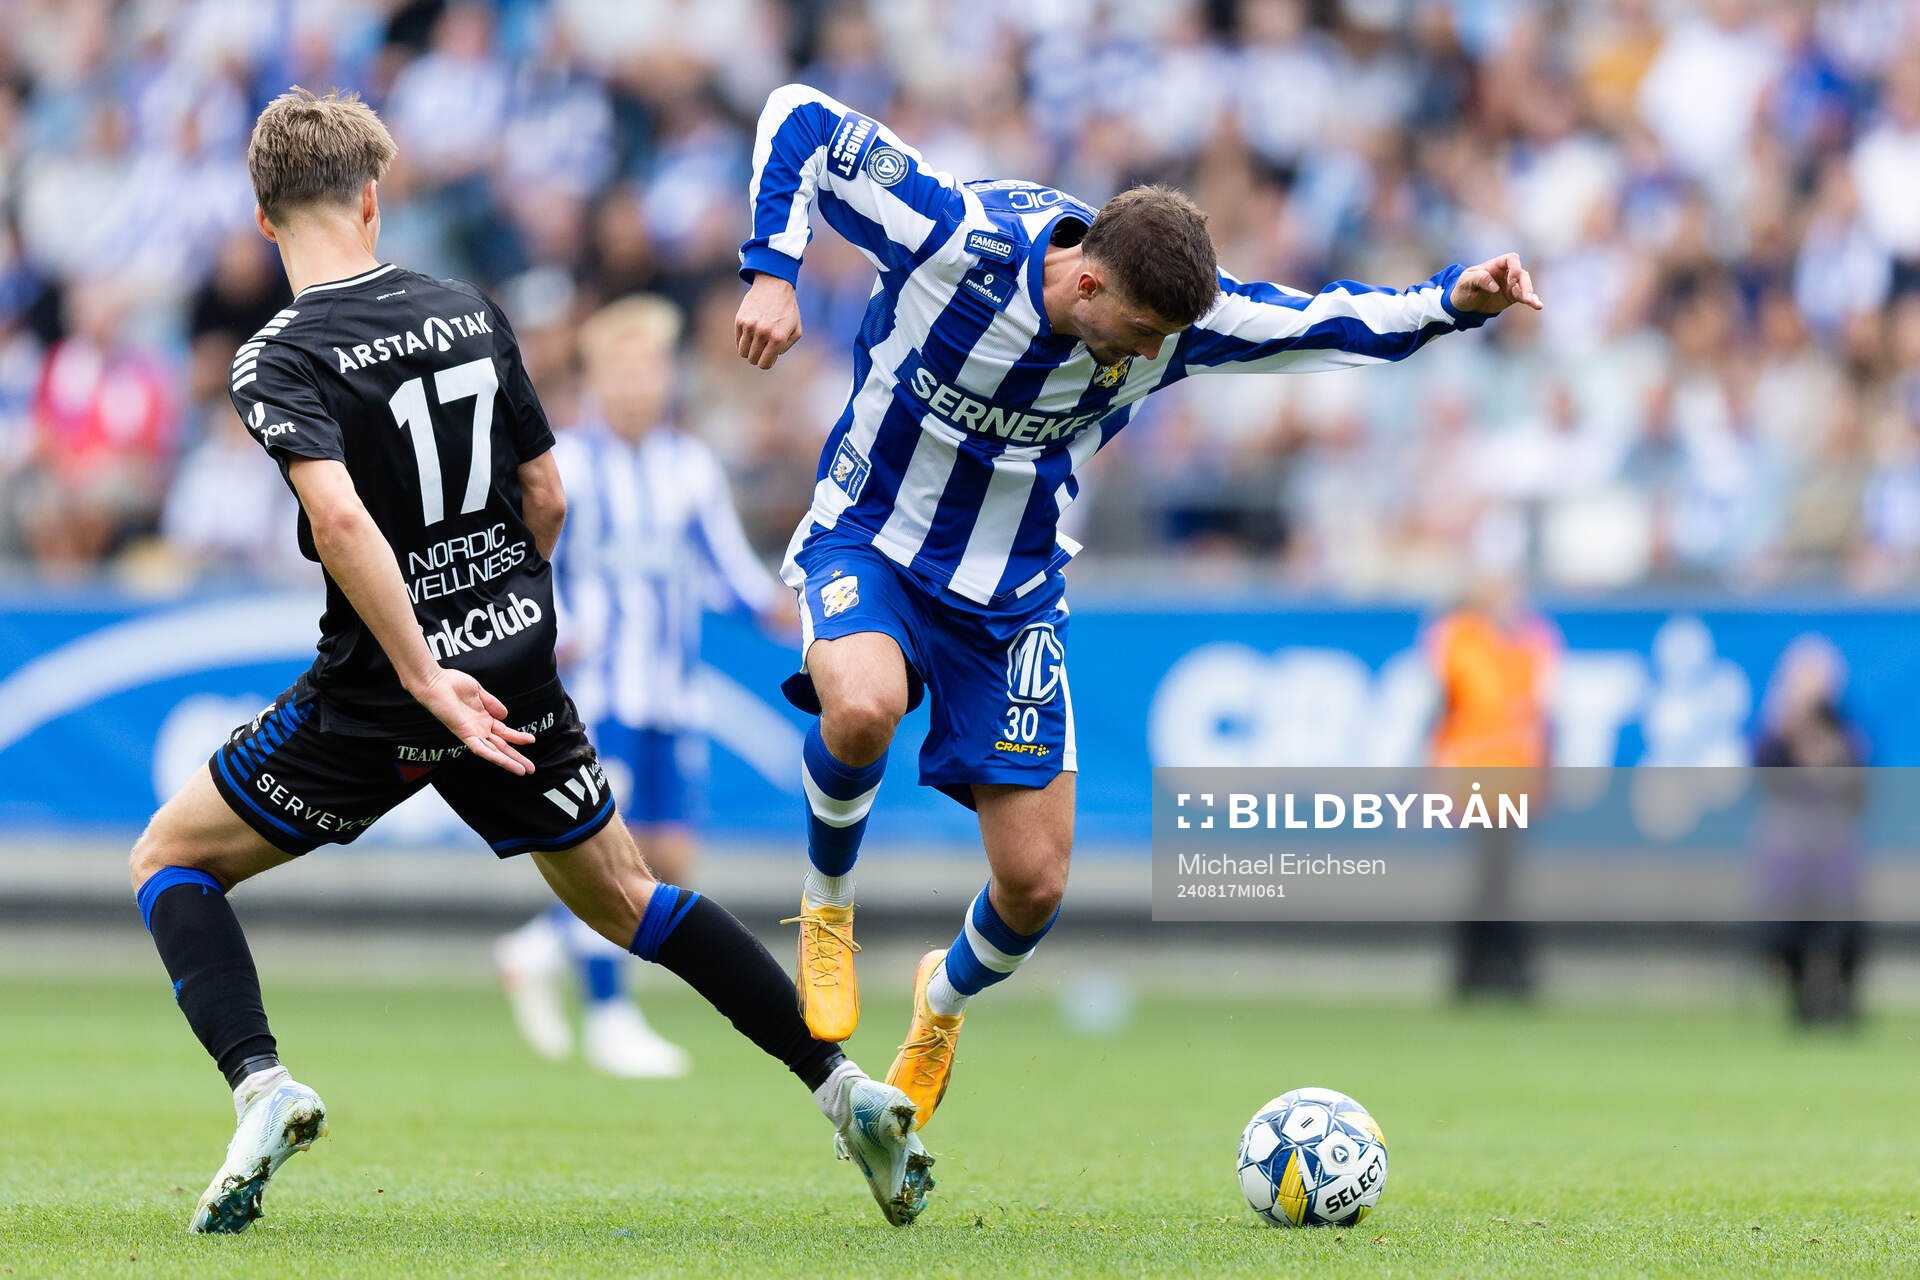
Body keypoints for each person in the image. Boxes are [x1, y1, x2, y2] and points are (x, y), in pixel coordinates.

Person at [128, 88, 933, 1235]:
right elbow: (549, 493)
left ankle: (262, 1081)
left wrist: (420, 672)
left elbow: (346, 524)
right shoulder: (467, 307)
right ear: (372, 195)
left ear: (264, 219)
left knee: (169, 859)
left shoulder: (276, 357)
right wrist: (504, 622)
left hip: (382, 687)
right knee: (633, 895)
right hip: (513, 669)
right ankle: (843, 1085)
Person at [732, 82, 1544, 1131]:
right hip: (873, 531)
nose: (1144, 351)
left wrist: (1453, 301)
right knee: (861, 705)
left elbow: (1325, 319)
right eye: (1136, 328)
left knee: (1034, 886)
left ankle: (939, 1004)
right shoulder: (956, 234)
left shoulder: (1174, 327)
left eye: (1165, 336)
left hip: (1012, 592)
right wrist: (772, 270)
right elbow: (799, 118)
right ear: (1087, 275)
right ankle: (827, 905)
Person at [495, 295, 788, 1078]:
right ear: (596, 378)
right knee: (611, 858)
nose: (638, 384)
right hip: (598, 697)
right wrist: (544, 630)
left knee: (672, 865)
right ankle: (610, 1015)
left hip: (670, 694)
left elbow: (725, 567)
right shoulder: (569, 465)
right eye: (623, 369)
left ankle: (537, 947)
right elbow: (524, 561)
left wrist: (784, 611)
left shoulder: (685, 466)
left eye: (651, 368)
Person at [1424, 574, 1559, 998]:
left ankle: (1491, 969)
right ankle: (1492, 968)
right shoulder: (1461, 639)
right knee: (1492, 876)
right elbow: (1449, 709)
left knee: (1498, 876)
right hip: (1479, 771)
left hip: (1514, 772)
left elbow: (1540, 711)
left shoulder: (1529, 641)